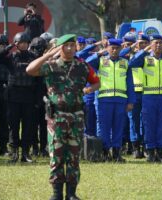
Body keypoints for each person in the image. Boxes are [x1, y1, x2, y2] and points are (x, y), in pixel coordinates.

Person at [26, 34, 100, 200]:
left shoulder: (82, 66)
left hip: (76, 116)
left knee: (73, 156)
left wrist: (87, 90)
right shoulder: (51, 65)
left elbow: (97, 82)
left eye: (72, 45)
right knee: (57, 155)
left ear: (76, 47)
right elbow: (30, 70)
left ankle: (72, 194)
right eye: (65, 46)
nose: (69, 48)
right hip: (57, 117)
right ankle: (57, 193)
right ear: (59, 48)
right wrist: (48, 55)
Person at [129, 34, 162, 163]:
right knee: (149, 125)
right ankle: (150, 152)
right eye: (155, 43)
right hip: (149, 97)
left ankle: (160, 153)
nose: (158, 45)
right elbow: (132, 63)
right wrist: (143, 51)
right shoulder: (144, 58)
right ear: (151, 45)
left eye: (160, 43)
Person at [86, 38, 135, 162]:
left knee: (118, 126)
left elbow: (130, 83)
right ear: (107, 48)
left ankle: (117, 152)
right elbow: (87, 62)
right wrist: (98, 53)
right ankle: (105, 152)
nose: (114, 50)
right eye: (112, 47)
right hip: (103, 99)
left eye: (117, 48)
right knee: (104, 127)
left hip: (120, 99)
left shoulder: (125, 63)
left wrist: (130, 101)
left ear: (120, 49)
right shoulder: (101, 61)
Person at [7, 32, 37, 163]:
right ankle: (14, 152)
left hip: (29, 95)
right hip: (13, 95)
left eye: (26, 42)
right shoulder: (10, 57)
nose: (24, 45)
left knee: (28, 125)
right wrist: (9, 47)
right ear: (16, 44)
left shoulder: (34, 57)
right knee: (13, 125)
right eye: (20, 43)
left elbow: (39, 78)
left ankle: (25, 153)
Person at [29, 37, 49, 157]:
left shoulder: (46, 61)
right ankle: (35, 147)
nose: (38, 50)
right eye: (36, 48)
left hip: (45, 96)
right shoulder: (31, 61)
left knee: (44, 125)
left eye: (40, 48)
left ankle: (42, 148)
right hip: (31, 96)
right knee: (32, 124)